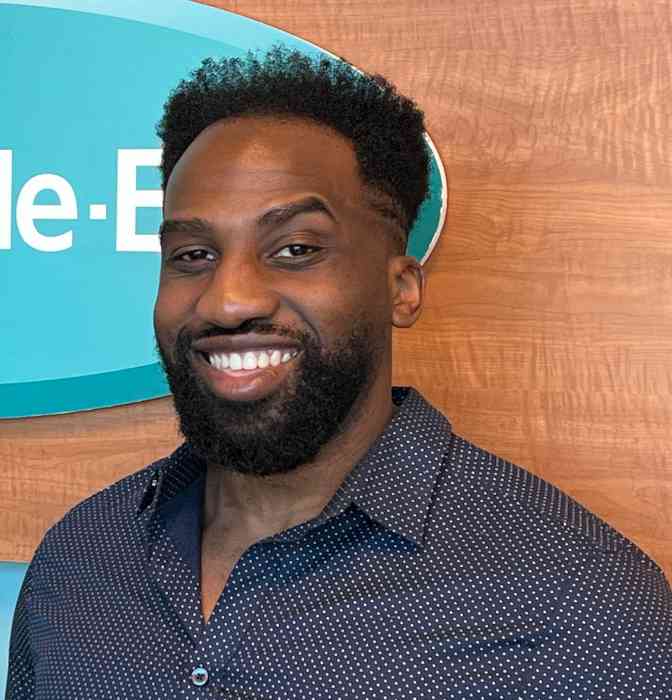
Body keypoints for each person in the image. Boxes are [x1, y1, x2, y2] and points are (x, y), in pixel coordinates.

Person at [6, 46, 671, 700]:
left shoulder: (584, 608)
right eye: (193, 255)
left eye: (295, 249)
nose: (228, 301)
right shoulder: (82, 557)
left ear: (401, 288)